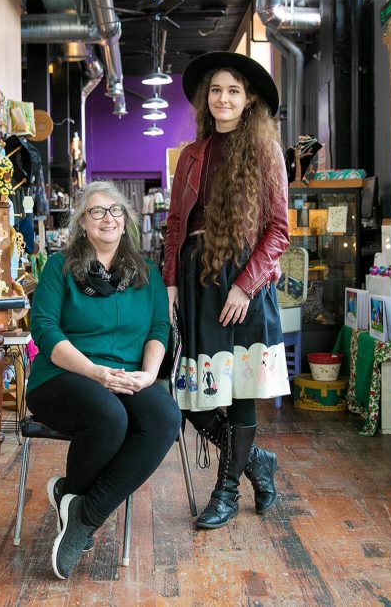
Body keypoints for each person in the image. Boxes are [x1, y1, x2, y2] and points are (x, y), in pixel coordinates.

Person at [27, 180, 180, 580]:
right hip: (62, 375)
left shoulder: (146, 273)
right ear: (82, 222)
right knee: (110, 416)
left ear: (126, 219)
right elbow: (43, 329)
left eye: (115, 210)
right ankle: (74, 500)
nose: (107, 218)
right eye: (97, 211)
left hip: (124, 374)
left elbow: (158, 329)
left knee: (165, 417)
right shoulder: (59, 267)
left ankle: (82, 512)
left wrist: (148, 376)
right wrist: (94, 372)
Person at [164, 52, 291, 529]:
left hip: (245, 281)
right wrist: (171, 283)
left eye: (233, 90)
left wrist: (245, 285)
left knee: (239, 392)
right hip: (197, 280)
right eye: (216, 90)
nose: (223, 98)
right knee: (191, 394)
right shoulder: (192, 155)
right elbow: (176, 225)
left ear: (249, 98)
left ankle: (226, 489)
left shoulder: (264, 151)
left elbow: (279, 230)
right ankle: (257, 460)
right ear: (206, 99)